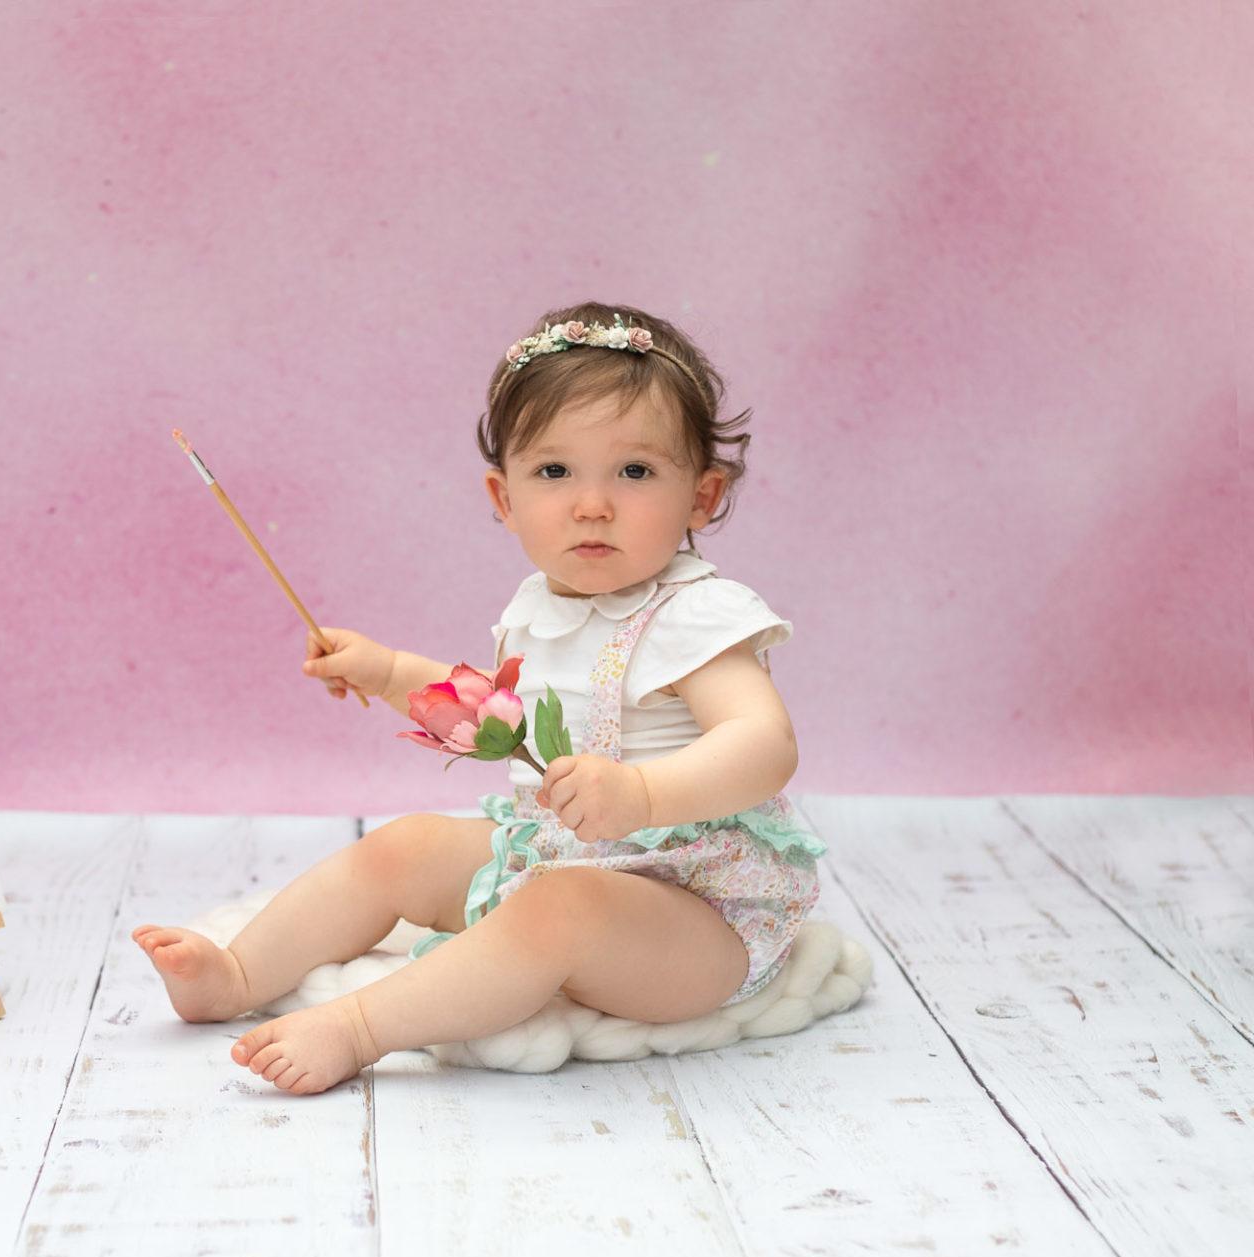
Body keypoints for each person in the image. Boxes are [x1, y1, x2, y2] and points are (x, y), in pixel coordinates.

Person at [133, 302, 827, 1095]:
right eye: (554, 472)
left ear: (702, 497)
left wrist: (642, 791)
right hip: (564, 854)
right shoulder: (538, 606)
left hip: (697, 910)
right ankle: (238, 975)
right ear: (504, 498)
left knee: (562, 911)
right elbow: (494, 722)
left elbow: (765, 744)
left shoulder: (697, 613)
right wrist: (391, 672)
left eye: (635, 471)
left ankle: (359, 1026)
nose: (592, 503)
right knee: (407, 845)